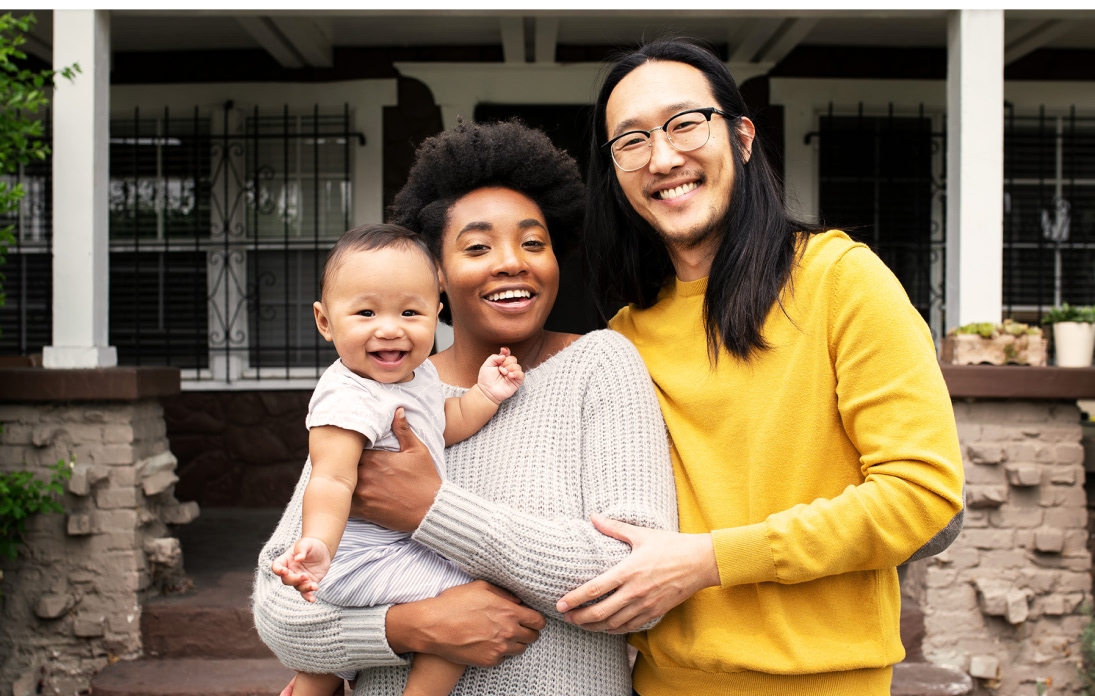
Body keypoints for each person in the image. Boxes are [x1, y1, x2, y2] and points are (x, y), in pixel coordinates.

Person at [557, 38, 966, 695]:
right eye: (630, 140)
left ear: (742, 137)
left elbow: (920, 496)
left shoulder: (840, 280)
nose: (663, 157)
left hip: (825, 682)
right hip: (662, 683)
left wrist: (711, 562)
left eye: (685, 123)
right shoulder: (623, 339)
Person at [252, 120, 678, 696]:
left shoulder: (599, 366)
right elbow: (281, 612)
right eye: (477, 247)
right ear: (436, 277)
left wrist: (431, 509)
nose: (512, 262)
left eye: (534, 243)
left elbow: (639, 591)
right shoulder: (379, 387)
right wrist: (412, 626)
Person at [270, 224, 525, 696]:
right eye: (366, 312)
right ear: (325, 322)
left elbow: (443, 424)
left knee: (327, 667)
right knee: (463, 602)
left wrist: (486, 394)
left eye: (411, 311)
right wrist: (319, 543)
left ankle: (312, 685)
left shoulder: (417, 377)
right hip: (358, 558)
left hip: (394, 551)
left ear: (436, 314)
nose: (390, 328)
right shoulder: (347, 396)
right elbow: (330, 479)